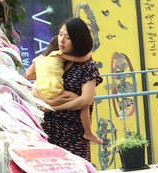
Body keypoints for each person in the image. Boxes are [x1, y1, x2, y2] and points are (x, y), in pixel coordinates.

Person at [26, 18, 103, 163]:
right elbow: (34, 86)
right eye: (60, 35)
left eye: (68, 38)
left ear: (78, 40)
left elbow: (86, 100)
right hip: (47, 127)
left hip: (73, 133)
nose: (62, 40)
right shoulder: (52, 60)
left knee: (76, 172)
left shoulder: (87, 67)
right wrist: (48, 101)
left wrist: (54, 107)